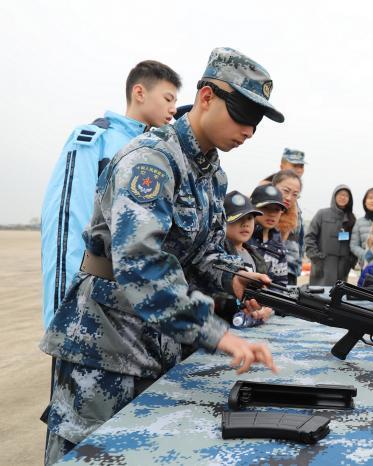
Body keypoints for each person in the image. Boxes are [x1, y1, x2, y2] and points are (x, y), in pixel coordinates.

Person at [39, 47, 282, 464]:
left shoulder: (210, 172)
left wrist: (232, 278)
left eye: (256, 121)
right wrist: (215, 332)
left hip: (158, 348)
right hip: (106, 349)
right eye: (242, 113)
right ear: (206, 97)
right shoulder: (151, 160)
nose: (248, 130)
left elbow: (203, 251)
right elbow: (141, 262)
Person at [40, 60, 181, 329]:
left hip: (135, 311)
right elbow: (66, 225)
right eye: (168, 98)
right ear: (139, 93)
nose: (174, 109)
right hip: (91, 302)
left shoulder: (162, 152)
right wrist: (61, 320)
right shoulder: (96, 141)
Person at [213, 191, 273, 326]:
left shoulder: (255, 256)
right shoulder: (216, 256)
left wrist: (265, 309)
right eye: (238, 218)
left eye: (250, 218)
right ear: (222, 221)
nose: (245, 224)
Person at [305, 185, 357, 285]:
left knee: (338, 296)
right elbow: (309, 237)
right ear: (334, 196)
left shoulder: (351, 218)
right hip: (322, 265)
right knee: (319, 296)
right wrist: (316, 258)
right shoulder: (322, 214)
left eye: (346, 196)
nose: (343, 197)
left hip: (342, 268)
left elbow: (354, 242)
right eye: (341, 194)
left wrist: (350, 262)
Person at [249, 184, 289, 287]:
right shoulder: (241, 237)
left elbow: (281, 285)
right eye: (265, 207)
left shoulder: (279, 247)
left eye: (277, 209)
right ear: (252, 207)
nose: (272, 214)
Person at [271, 170, 303, 285]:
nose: (289, 197)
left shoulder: (295, 215)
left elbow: (300, 242)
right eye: (286, 191)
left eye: (295, 194)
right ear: (273, 186)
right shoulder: (257, 212)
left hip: (289, 270)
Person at [350, 187, 373, 269]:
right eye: (370, 198)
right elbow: (353, 245)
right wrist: (367, 255)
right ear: (365, 202)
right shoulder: (359, 222)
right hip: (366, 266)